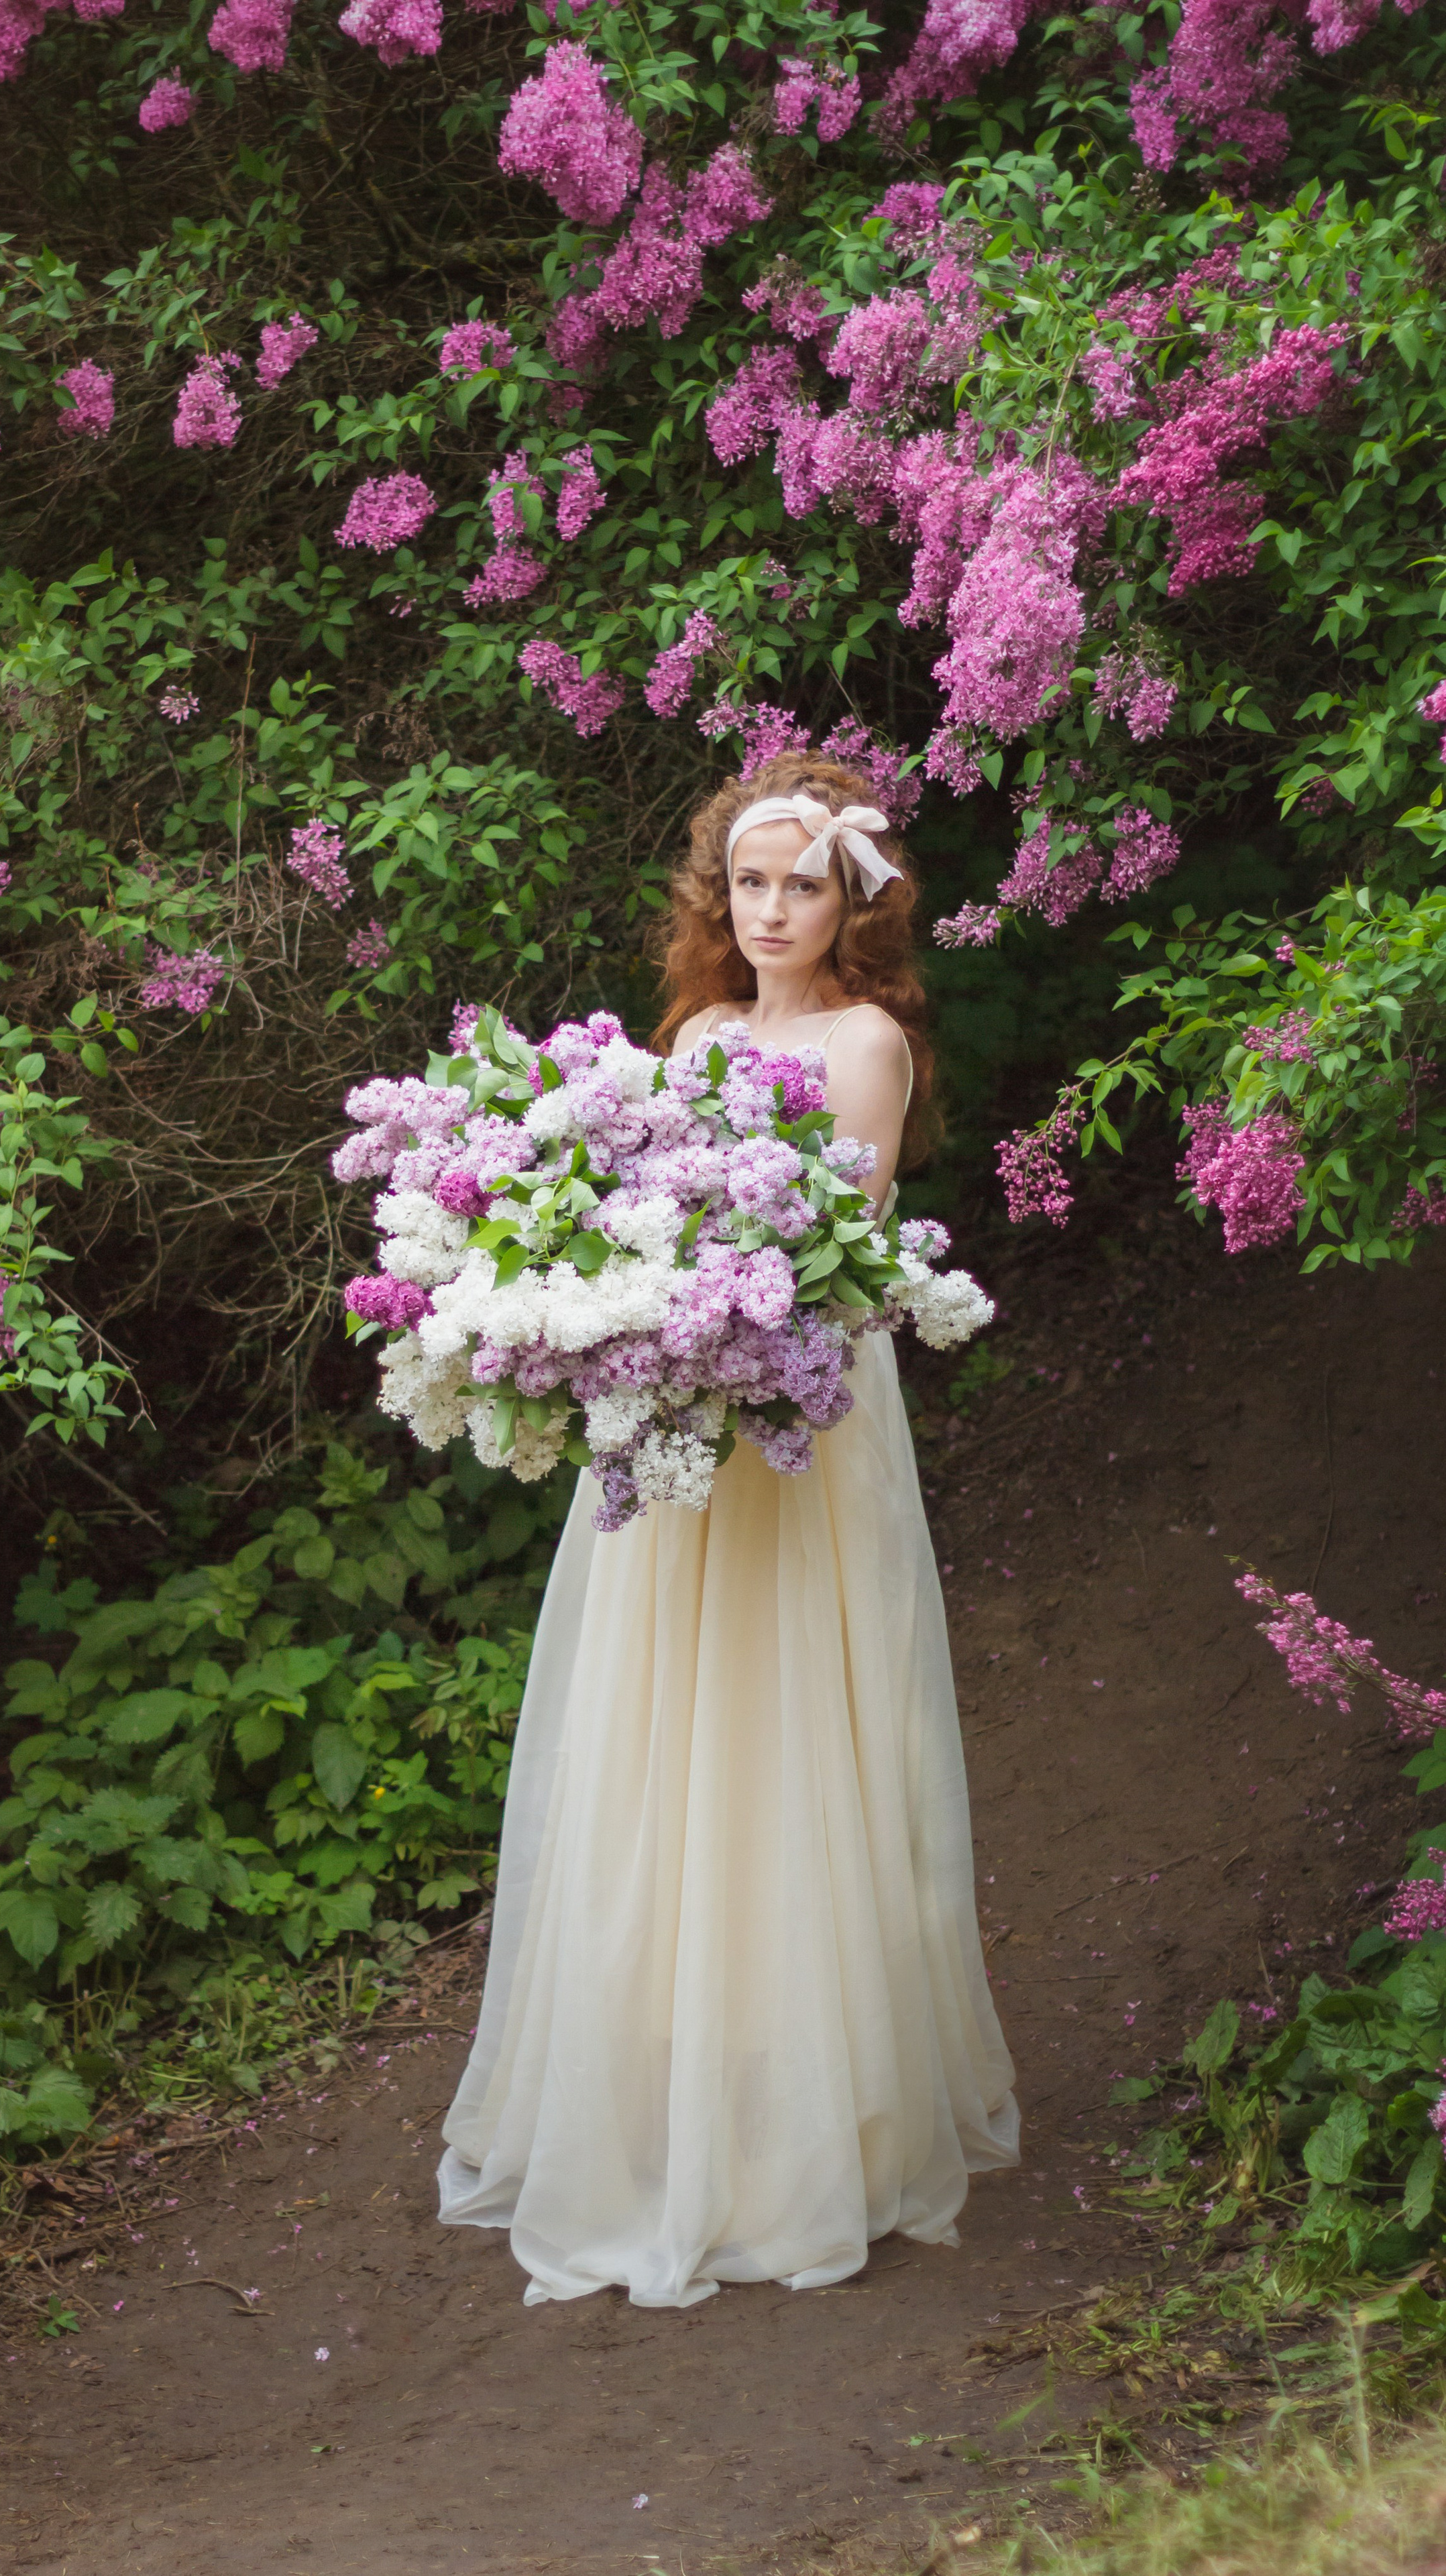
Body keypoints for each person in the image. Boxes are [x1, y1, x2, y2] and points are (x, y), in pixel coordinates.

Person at [436, 749, 1019, 2308]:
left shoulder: (864, 1040)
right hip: (671, 1431)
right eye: (749, 882)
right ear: (719, 896)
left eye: (802, 883)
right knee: (663, 1728)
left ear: (852, 902)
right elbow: (633, 1193)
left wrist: (718, 1314)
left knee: (797, 1720)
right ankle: (662, 2087)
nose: (771, 909)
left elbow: (834, 1240)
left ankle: (813, 2105)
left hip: (801, 1421)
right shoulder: (689, 1033)